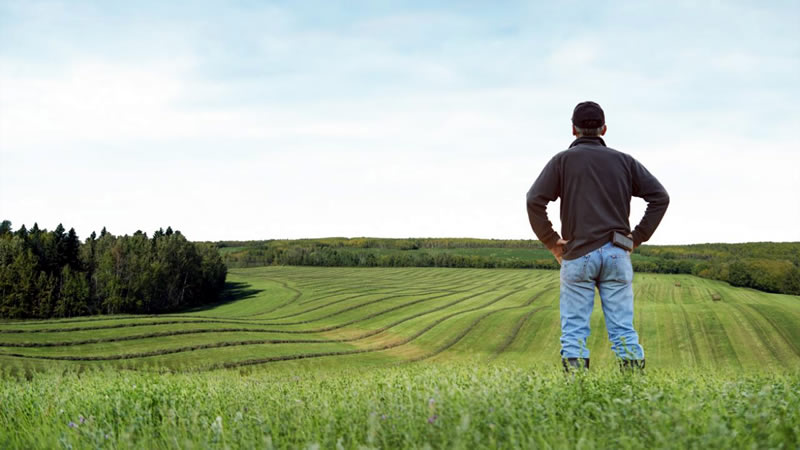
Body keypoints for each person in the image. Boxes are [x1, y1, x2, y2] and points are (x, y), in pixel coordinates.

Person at [525, 101, 669, 372]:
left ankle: (577, 396)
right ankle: (634, 394)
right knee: (623, 329)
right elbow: (660, 197)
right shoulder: (624, 161)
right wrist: (636, 238)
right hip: (617, 252)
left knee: (574, 332)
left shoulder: (562, 161)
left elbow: (534, 200)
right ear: (604, 128)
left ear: (573, 130)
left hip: (577, 254)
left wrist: (552, 242)